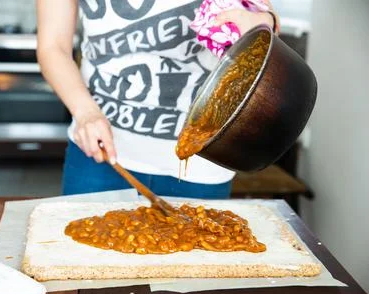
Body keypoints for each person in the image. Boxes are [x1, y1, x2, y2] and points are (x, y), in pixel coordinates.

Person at [36, 0, 278, 198]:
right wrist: (85, 112)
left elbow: (265, 20)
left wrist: (263, 22)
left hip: (202, 162)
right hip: (99, 157)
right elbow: (53, 46)